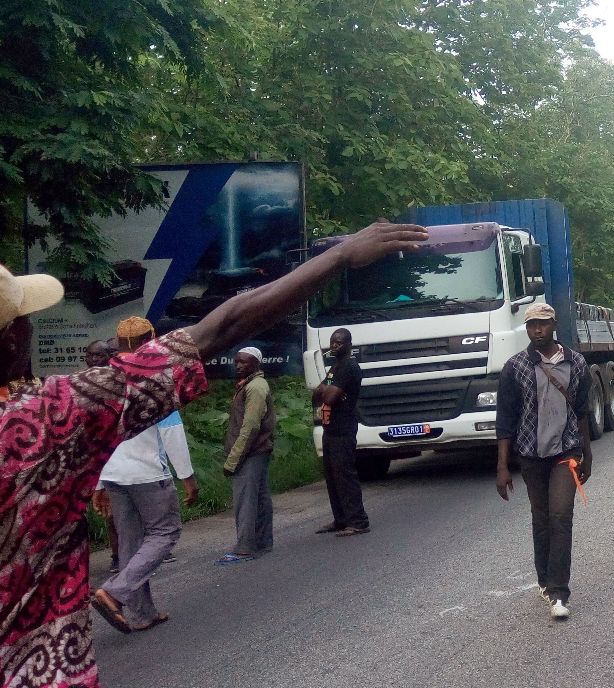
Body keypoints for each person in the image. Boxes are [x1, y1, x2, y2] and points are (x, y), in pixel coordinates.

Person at [0, 221, 427, 687]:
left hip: (130, 477)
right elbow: (221, 328)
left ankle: (132, 594)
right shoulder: (48, 416)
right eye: (24, 319)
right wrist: (337, 257)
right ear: (13, 339)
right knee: (160, 533)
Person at [91, 318, 200, 633]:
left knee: (130, 542)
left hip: (114, 475)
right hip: (148, 474)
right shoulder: (154, 377)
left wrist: (98, 482)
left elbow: (96, 436)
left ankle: (141, 614)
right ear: (151, 338)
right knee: (166, 532)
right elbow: (172, 432)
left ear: (118, 342)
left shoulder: (102, 381)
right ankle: (114, 592)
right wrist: (187, 477)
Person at [495, 303, 592, 620]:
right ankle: (544, 579)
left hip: (566, 452)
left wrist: (587, 453)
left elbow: (582, 411)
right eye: (531, 325)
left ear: (554, 325)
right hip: (531, 455)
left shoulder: (576, 363)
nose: (537, 330)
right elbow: (505, 419)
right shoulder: (515, 367)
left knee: (561, 515)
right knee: (542, 519)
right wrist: (502, 467)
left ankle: (559, 592)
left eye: (543, 323)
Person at [217, 347, 276, 564]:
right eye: (237, 361)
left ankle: (244, 547)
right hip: (257, 451)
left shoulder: (255, 387)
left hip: (250, 452)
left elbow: (250, 426)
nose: (239, 365)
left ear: (256, 364)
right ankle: (262, 542)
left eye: (244, 362)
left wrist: (233, 459)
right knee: (259, 497)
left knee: (245, 500)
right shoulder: (251, 385)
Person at [313, 328, 370, 537]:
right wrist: (328, 390)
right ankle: (341, 519)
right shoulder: (335, 368)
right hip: (330, 428)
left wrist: (327, 391)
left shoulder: (349, 367)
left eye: (339, 342)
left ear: (349, 345)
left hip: (343, 429)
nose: (334, 345)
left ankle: (358, 521)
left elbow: (328, 397)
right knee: (332, 476)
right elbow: (317, 394)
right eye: (332, 342)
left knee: (345, 475)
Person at [84, 340, 123, 573]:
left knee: (118, 512)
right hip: (87, 460)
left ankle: (124, 555)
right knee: (108, 514)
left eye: (98, 356)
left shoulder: (117, 385)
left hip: (118, 459)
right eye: (90, 355)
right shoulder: (78, 385)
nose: (93, 360)